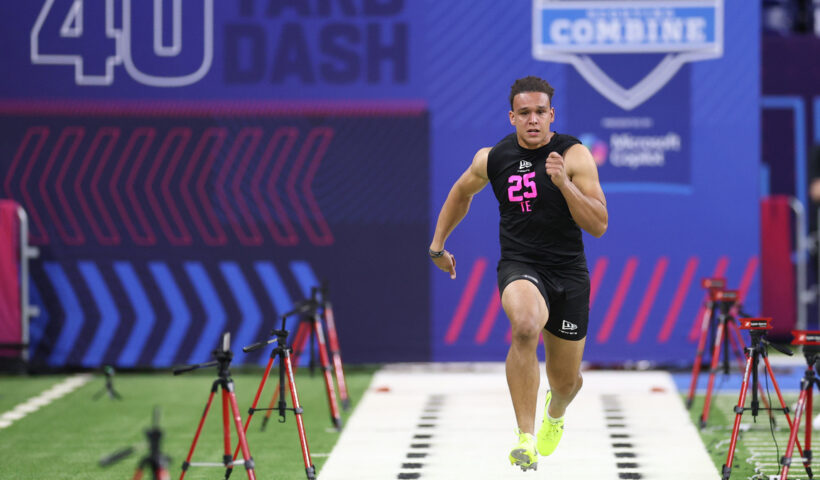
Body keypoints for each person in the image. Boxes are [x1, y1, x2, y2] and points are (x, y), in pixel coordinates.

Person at [428, 76, 608, 471]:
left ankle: (554, 413)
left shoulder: (574, 155)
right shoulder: (492, 158)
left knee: (566, 383)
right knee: (525, 326)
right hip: (520, 265)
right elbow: (461, 192)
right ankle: (524, 437)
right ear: (512, 117)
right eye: (524, 113)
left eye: (540, 112)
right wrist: (438, 246)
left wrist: (563, 184)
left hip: (568, 273)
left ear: (551, 115)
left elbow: (598, 225)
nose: (533, 120)